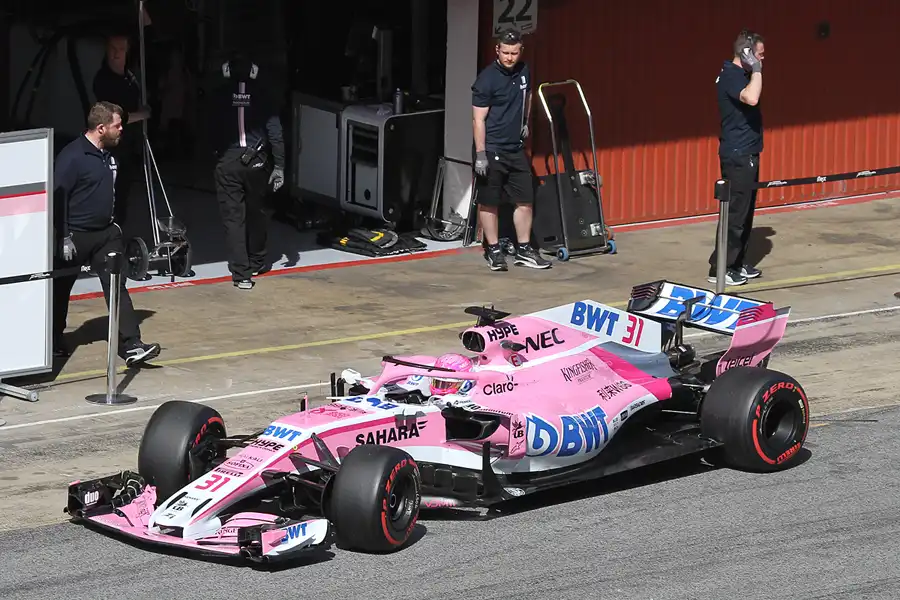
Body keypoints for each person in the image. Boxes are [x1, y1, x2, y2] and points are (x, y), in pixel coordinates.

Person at [52, 102, 161, 366]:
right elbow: (57, 197)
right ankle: (52, 340)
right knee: (59, 290)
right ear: (101, 128)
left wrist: (117, 224)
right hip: (75, 236)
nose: (122, 129)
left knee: (116, 284)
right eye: (117, 125)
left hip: (106, 235)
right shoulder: (72, 156)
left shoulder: (110, 154)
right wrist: (63, 235)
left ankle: (132, 344)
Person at [471, 29, 550, 272]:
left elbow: (527, 96)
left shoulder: (524, 71)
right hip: (492, 149)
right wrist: (481, 155)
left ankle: (524, 250)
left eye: (514, 53)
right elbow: (478, 120)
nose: (509, 57)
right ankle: (494, 250)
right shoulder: (486, 80)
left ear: (520, 51)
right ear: (497, 50)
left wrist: (525, 122)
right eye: (505, 52)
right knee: (489, 202)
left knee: (525, 199)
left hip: (515, 148)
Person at [207, 51, 285, 290]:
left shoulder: (218, 95)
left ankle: (241, 275)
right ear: (254, 72)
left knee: (234, 219)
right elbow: (275, 133)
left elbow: (210, 130)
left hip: (228, 162)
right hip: (257, 161)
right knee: (257, 211)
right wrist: (279, 166)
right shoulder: (264, 95)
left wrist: (217, 156)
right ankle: (258, 261)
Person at [707, 29, 766, 287]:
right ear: (746, 53)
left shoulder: (740, 75)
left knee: (745, 212)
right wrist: (757, 70)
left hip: (748, 152)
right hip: (738, 154)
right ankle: (721, 267)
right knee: (735, 214)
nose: (762, 59)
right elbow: (751, 98)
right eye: (759, 54)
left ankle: (737, 262)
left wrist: (754, 70)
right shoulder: (731, 75)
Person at [91, 30, 152, 233]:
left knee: (123, 192)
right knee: (110, 194)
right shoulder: (103, 80)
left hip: (128, 144)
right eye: (112, 49)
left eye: (121, 49)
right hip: (110, 146)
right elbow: (111, 117)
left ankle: (117, 232)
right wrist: (142, 114)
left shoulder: (130, 77)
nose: (116, 53)